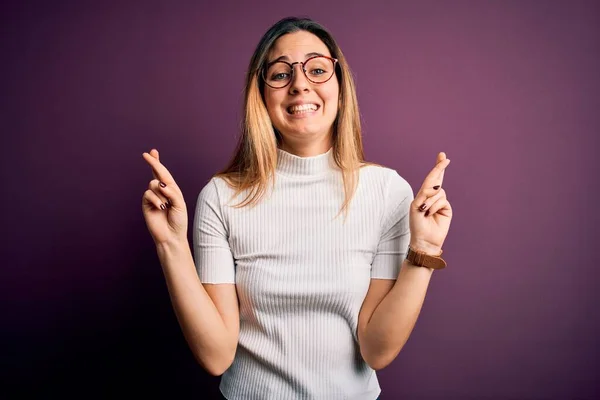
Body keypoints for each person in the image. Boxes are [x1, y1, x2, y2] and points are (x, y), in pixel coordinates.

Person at [141, 16, 452, 400]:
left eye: (317, 70)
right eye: (280, 74)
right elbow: (216, 355)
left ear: (340, 86)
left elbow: (377, 349)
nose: (300, 84)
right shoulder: (221, 197)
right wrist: (171, 243)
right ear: (262, 93)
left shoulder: (388, 193)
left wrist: (424, 251)